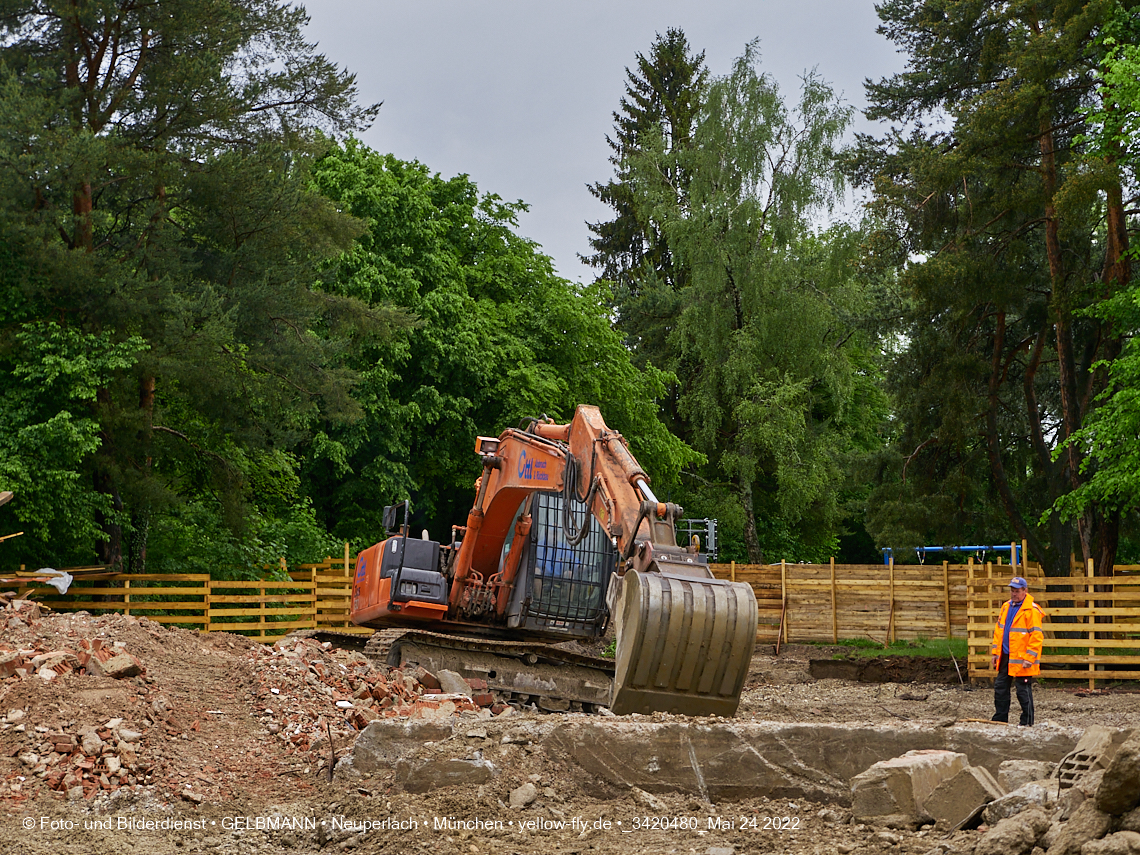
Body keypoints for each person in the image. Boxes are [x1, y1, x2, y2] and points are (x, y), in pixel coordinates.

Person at [990, 576, 1044, 726]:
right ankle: (1000, 719)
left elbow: (1037, 636)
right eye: (1012, 591)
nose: (1014, 594)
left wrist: (1030, 658)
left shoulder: (1032, 610)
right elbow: (999, 632)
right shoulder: (1006, 607)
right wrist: (995, 653)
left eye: (1017, 591)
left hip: (1022, 659)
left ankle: (1027, 721)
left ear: (1025, 591)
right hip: (1006, 656)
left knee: (1023, 690)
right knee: (1000, 688)